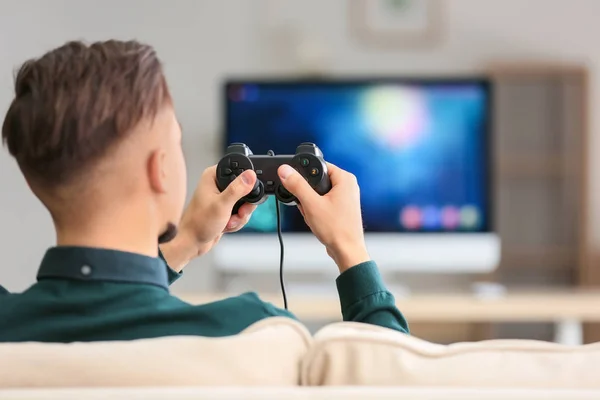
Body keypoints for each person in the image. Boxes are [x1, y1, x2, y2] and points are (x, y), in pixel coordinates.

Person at [0, 40, 409, 342]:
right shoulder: (252, 331)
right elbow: (393, 383)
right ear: (159, 169)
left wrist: (186, 243)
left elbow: (103, 313)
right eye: (176, 142)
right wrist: (350, 249)